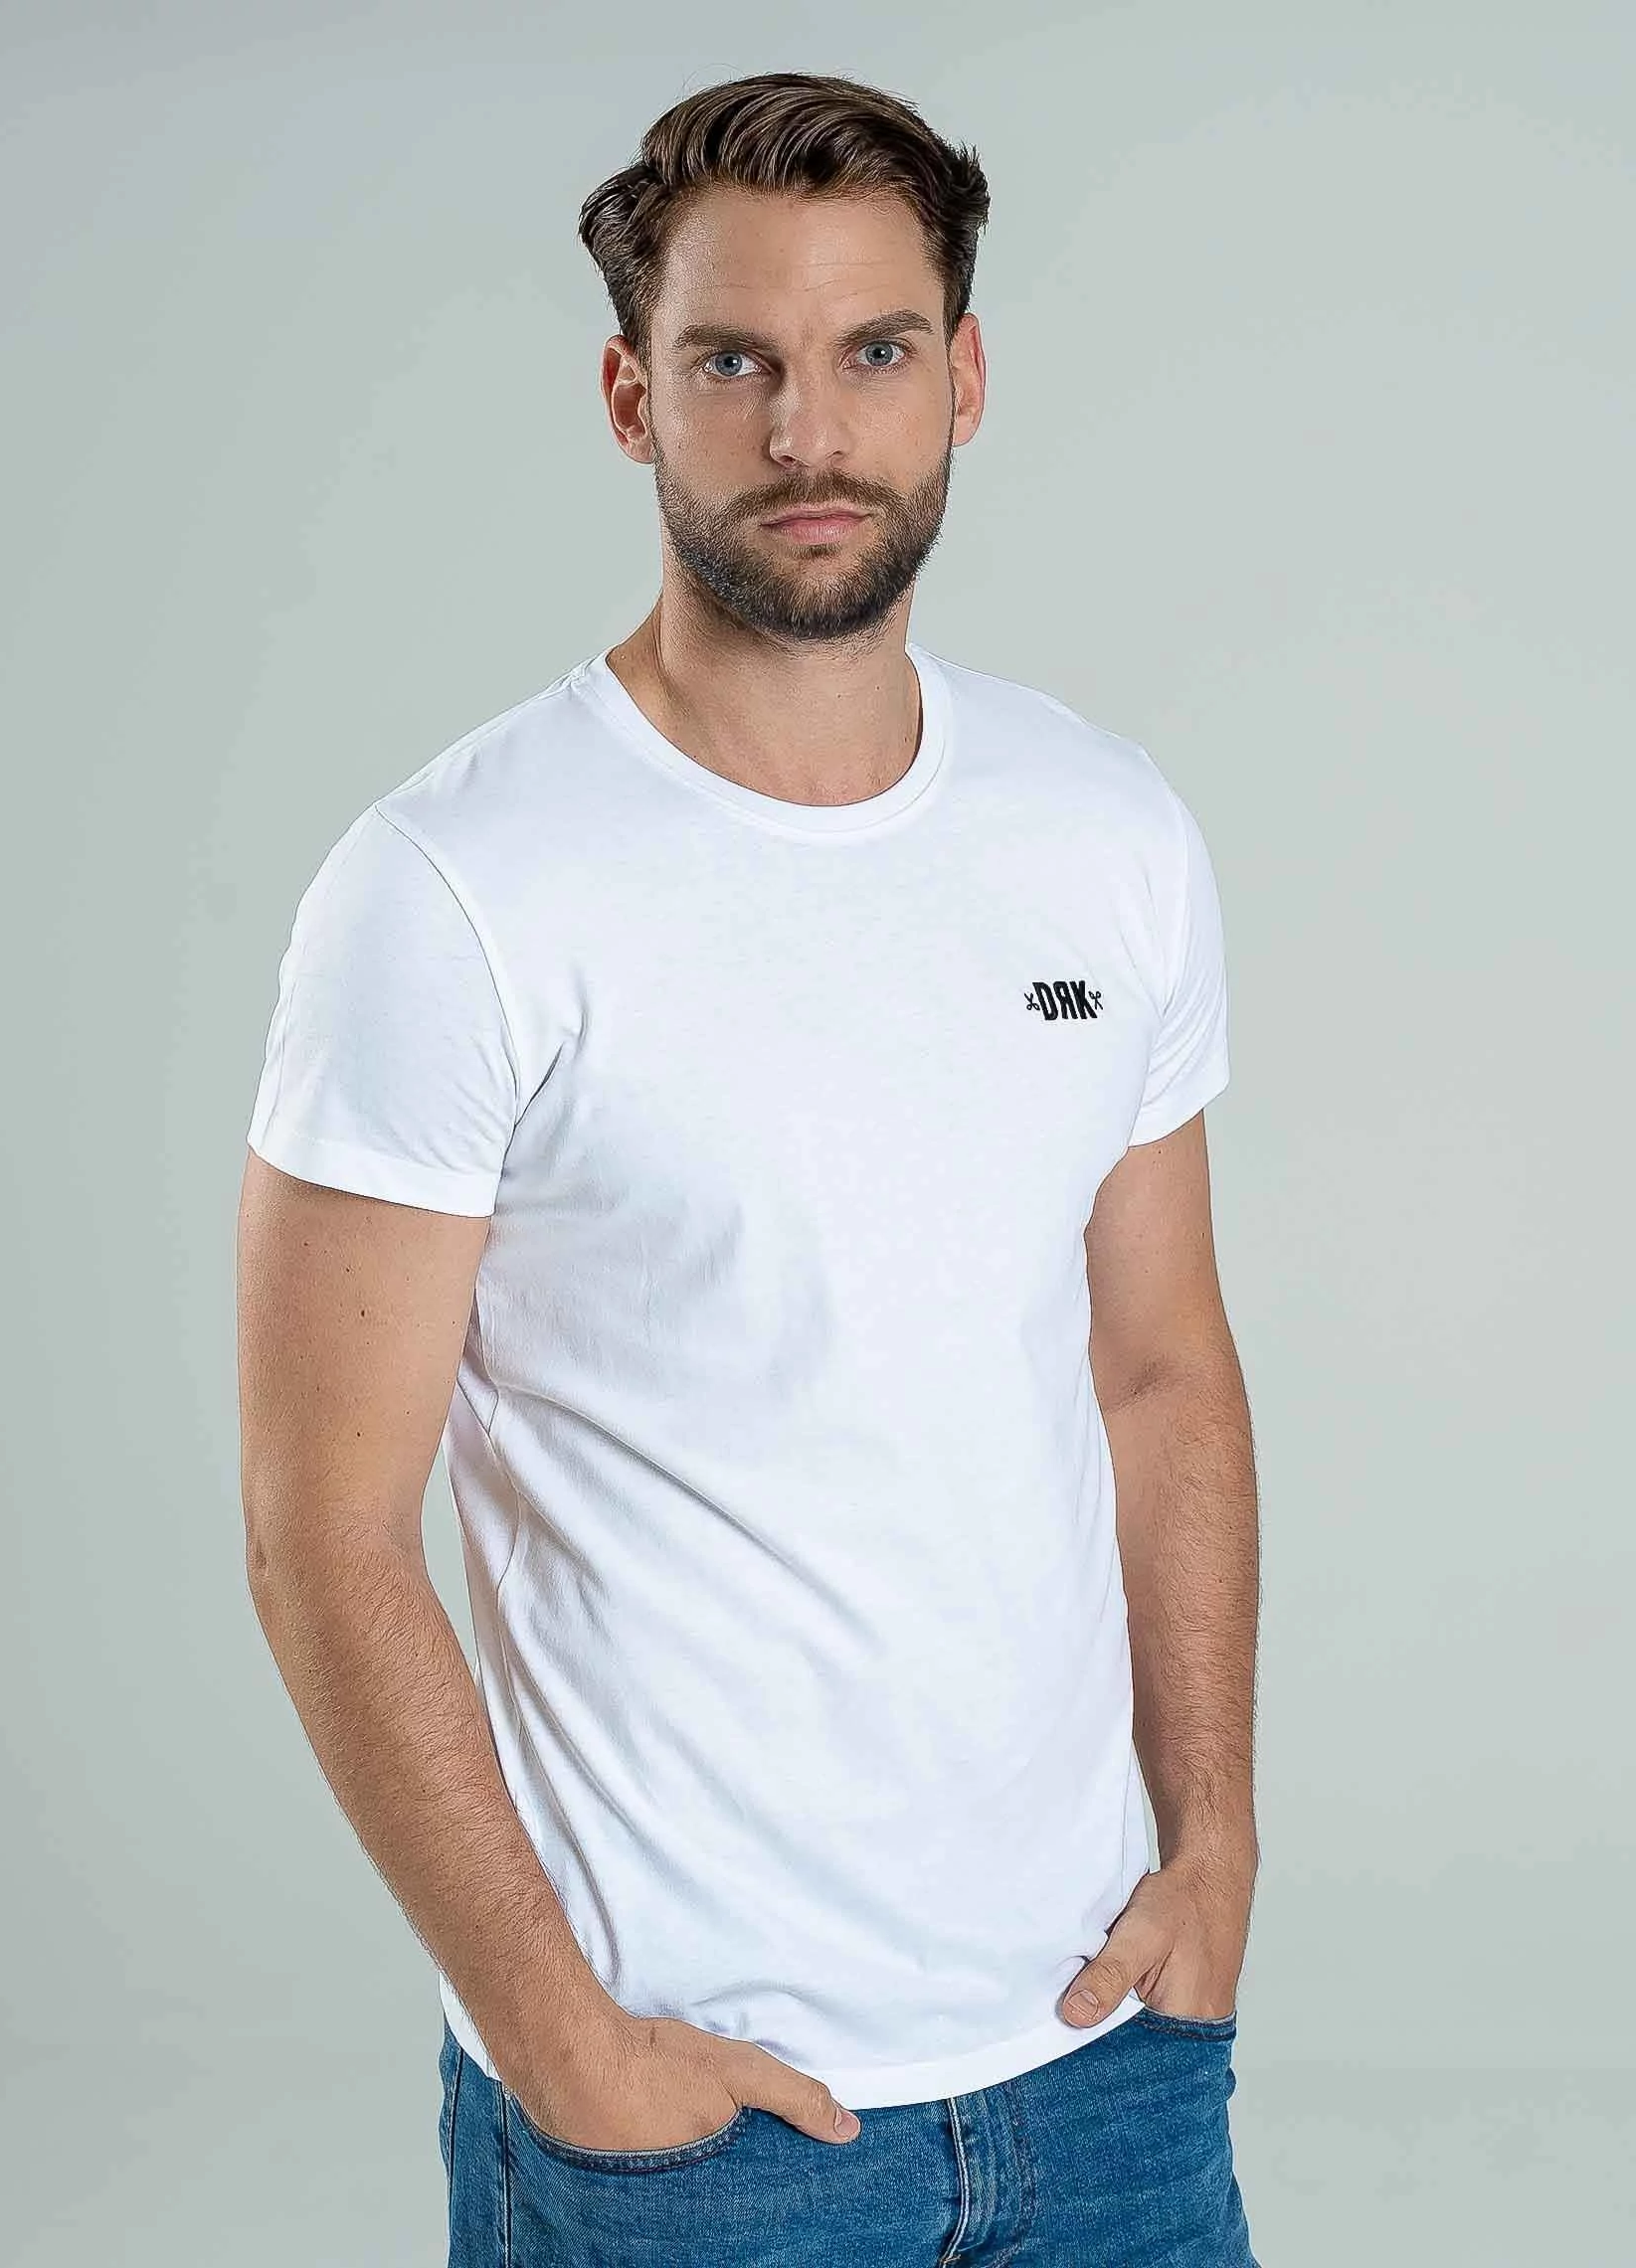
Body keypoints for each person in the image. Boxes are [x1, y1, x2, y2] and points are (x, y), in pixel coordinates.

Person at [237, 69, 1262, 2267]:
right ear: (633, 398)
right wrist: (563, 2043)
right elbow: (322, 1527)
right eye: (734, 363)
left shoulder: (1103, 835)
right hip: (689, 2121)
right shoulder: (454, 889)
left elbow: (1161, 1369)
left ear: (963, 377)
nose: (811, 431)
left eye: (873, 351)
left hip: (1106, 2062)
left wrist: (1218, 1844)